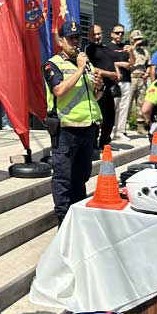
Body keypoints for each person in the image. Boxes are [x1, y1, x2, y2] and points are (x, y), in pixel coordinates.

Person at [44, 19, 102, 225]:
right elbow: (58, 91)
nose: (75, 42)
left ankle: (77, 222)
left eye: (77, 38)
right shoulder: (53, 64)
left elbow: (94, 98)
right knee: (63, 179)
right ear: (61, 40)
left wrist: (99, 87)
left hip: (87, 128)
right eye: (71, 38)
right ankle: (63, 223)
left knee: (81, 177)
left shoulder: (86, 64)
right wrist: (79, 70)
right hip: (66, 130)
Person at [85, 24, 119, 147]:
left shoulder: (107, 48)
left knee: (109, 119)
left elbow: (113, 63)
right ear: (89, 36)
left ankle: (104, 143)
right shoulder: (89, 49)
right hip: (96, 88)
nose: (97, 36)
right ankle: (93, 145)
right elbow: (89, 68)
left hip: (109, 89)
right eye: (94, 34)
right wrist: (109, 74)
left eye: (99, 34)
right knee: (95, 120)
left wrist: (117, 74)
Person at [110, 23, 132, 141]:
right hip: (114, 80)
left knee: (124, 107)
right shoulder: (108, 47)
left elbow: (131, 63)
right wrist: (119, 64)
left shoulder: (126, 47)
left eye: (122, 33)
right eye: (117, 32)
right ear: (112, 34)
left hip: (126, 79)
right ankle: (111, 129)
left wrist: (131, 52)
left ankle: (120, 131)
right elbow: (107, 62)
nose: (120, 35)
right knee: (114, 106)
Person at [128, 29, 151, 135]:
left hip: (142, 78)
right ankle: (122, 126)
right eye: (136, 39)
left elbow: (149, 65)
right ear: (131, 39)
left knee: (140, 103)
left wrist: (147, 73)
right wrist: (133, 47)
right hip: (131, 77)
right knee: (127, 102)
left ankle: (140, 126)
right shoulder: (128, 49)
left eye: (140, 39)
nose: (139, 41)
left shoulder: (145, 51)